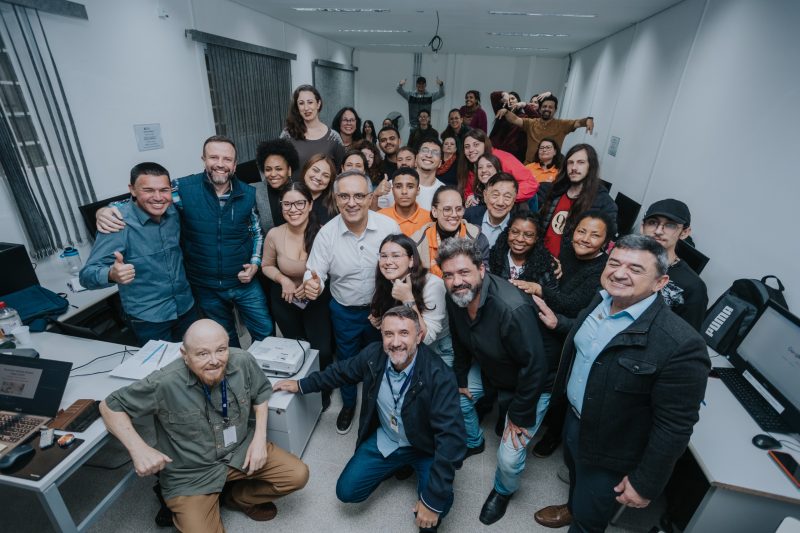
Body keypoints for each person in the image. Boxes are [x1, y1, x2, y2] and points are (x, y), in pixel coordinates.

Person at [532, 234, 710, 532]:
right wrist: (560, 324)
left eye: (635, 269)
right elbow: (590, 343)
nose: (619, 272)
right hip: (575, 422)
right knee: (577, 476)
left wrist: (645, 482)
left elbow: (675, 425)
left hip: (614, 445)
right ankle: (575, 507)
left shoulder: (680, 344)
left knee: (591, 518)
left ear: (660, 283)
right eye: (614, 262)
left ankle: (583, 518)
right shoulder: (601, 300)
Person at [99, 319, 309, 532]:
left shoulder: (242, 360)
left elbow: (261, 393)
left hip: (239, 451)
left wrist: (259, 439)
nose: (214, 360)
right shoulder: (164, 382)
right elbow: (109, 406)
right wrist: (139, 449)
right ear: (185, 354)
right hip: (191, 472)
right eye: (202, 354)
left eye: (221, 350)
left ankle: (238, 499)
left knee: (297, 475)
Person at [273, 306, 465, 533]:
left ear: (419, 336)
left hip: (425, 447)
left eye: (404, 333)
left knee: (434, 509)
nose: (395, 342)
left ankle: (416, 473)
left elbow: (451, 440)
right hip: (387, 439)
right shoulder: (374, 355)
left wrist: (432, 502)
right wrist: (301, 385)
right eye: (388, 334)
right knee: (347, 492)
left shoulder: (439, 375)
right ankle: (397, 465)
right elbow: (340, 372)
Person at [96, 136, 273, 348]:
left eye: (227, 159)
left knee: (266, 333)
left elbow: (256, 232)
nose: (220, 163)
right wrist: (105, 210)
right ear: (203, 159)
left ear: (234, 164)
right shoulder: (183, 189)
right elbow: (149, 197)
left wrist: (255, 263)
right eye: (214, 157)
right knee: (224, 339)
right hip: (205, 286)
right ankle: (234, 376)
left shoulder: (248, 193)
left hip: (244, 281)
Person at [438, 237, 548, 525]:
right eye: (448, 275)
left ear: (481, 270)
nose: (456, 281)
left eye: (464, 272)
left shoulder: (510, 308)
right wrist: (460, 377)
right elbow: (461, 341)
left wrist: (520, 415)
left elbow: (535, 366)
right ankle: (473, 441)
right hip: (493, 368)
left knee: (510, 457)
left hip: (532, 381)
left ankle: (503, 491)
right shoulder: (456, 297)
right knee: (454, 394)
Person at [303, 170, 401, 434]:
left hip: (382, 310)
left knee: (383, 359)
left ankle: (379, 409)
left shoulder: (388, 228)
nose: (352, 202)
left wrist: (387, 309)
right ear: (335, 199)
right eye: (344, 196)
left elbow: (403, 268)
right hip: (344, 311)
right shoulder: (326, 234)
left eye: (359, 195)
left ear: (370, 197)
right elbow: (314, 273)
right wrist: (312, 285)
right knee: (347, 361)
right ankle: (348, 405)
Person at [523, 209, 615, 459]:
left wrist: (540, 289)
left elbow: (572, 304)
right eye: (581, 231)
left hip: (571, 333)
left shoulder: (601, 271)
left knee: (562, 386)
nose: (585, 238)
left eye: (594, 235)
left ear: (606, 243)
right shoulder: (564, 252)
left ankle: (554, 435)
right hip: (546, 322)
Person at [80, 162, 196, 344]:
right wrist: (111, 274)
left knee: (196, 361)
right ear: (132, 190)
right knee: (163, 370)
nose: (158, 197)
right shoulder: (117, 223)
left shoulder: (173, 211)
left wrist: (101, 209)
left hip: (185, 306)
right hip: (150, 318)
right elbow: (86, 276)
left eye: (164, 190)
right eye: (148, 190)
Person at [262, 181, 334, 410]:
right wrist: (283, 279)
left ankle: (321, 386)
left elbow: (333, 268)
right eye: (287, 204)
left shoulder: (324, 233)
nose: (293, 209)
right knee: (297, 346)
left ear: (310, 204)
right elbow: (266, 265)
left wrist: (311, 282)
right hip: (285, 299)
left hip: (317, 299)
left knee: (321, 348)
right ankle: (299, 386)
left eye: (300, 203)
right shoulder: (274, 234)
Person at [370, 234, 452, 364]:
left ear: (411, 260)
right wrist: (380, 321)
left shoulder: (433, 285)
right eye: (384, 256)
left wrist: (408, 299)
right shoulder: (388, 281)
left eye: (396, 255)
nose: (388, 262)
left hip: (437, 350)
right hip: (406, 348)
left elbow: (426, 338)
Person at [536, 143, 616, 259]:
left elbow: (604, 242)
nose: (574, 167)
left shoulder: (604, 203)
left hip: (569, 268)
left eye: (581, 162)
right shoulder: (555, 191)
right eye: (570, 162)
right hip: (540, 259)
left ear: (591, 166)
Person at [640, 199, 708, 331]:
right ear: (643, 227)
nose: (658, 231)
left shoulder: (693, 287)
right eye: (652, 223)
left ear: (684, 232)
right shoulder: (625, 260)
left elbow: (685, 339)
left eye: (670, 225)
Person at [411, 185, 490, 277]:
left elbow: (484, 277)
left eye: (459, 209)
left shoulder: (477, 238)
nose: (454, 214)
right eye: (447, 209)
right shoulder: (417, 241)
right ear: (434, 211)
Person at [498, 94, 595, 164]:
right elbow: (515, 119)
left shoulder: (562, 124)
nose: (547, 109)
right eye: (544, 106)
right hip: (529, 167)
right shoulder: (531, 123)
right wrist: (506, 111)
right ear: (540, 109)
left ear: (555, 110)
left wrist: (588, 120)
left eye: (550, 107)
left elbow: (576, 123)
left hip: (551, 170)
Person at [458, 128, 538, 206]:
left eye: (476, 144)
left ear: (485, 145)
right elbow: (469, 188)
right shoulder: (470, 164)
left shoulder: (503, 158)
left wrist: (502, 196)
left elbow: (531, 183)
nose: (471, 150)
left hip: (521, 203)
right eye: (467, 147)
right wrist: (470, 196)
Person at [280, 84, 345, 178]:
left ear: (318, 104)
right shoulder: (287, 134)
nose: (306, 108)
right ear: (297, 108)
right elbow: (280, 165)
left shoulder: (334, 137)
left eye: (310, 102)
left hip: (324, 192)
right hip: (295, 191)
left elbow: (339, 171)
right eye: (301, 103)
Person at [488, 211, 557, 289]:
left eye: (528, 235)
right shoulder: (493, 257)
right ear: (508, 232)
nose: (520, 239)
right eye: (514, 232)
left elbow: (553, 296)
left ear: (536, 238)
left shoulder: (545, 266)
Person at [252, 138, 300, 234]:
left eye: (279, 169)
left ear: (289, 170)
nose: (273, 174)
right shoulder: (254, 191)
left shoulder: (300, 191)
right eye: (268, 169)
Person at [464, 173, 519, 247]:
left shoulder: (519, 225)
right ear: (485, 196)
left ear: (514, 200)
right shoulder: (469, 215)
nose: (500, 203)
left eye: (507, 197)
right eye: (495, 195)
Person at [489, 90, 544, 162]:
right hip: (495, 152)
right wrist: (504, 94)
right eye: (509, 99)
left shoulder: (523, 117)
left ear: (518, 101)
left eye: (513, 98)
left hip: (512, 155)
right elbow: (493, 96)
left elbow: (536, 119)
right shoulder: (501, 111)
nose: (510, 100)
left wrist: (524, 105)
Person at [378, 168, 431, 237]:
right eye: (398, 187)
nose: (404, 192)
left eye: (410, 187)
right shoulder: (380, 217)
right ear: (393, 190)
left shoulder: (430, 219)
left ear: (418, 190)